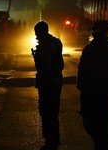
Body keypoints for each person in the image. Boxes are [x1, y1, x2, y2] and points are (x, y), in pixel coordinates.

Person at [77, 20, 108, 150]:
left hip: (103, 94)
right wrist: (81, 85)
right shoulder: (88, 49)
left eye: (96, 30)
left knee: (102, 128)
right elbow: (82, 68)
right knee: (89, 124)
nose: (94, 33)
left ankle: (103, 146)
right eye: (93, 30)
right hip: (88, 93)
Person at [31, 21, 64, 150]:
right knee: (53, 112)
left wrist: (41, 82)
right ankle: (53, 140)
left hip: (48, 82)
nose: (36, 37)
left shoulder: (46, 46)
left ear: (39, 32)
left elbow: (44, 67)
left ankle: (50, 141)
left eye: (36, 33)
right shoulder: (55, 42)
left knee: (47, 111)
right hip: (55, 80)